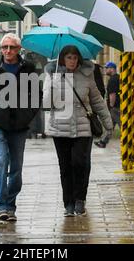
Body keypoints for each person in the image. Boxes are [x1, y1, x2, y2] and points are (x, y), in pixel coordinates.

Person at [43, 46, 113, 216]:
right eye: (68, 57)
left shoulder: (86, 76)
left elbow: (97, 101)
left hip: (83, 127)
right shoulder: (52, 76)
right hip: (60, 128)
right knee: (65, 166)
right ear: (62, 59)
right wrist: (52, 83)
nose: (72, 61)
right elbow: (45, 104)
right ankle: (68, 203)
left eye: (75, 57)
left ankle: (80, 199)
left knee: (80, 164)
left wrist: (108, 124)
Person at [0, 33, 39, 222]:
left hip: (19, 125)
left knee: (16, 168)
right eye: (5, 47)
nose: (8, 51)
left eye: (12, 47)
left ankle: (10, 204)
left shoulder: (28, 68)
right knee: (0, 160)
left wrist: (27, 115)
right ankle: (1, 206)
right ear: (1, 49)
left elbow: (35, 96)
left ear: (18, 49)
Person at [95, 61, 120, 148]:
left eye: (107, 68)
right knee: (110, 125)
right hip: (117, 107)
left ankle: (129, 141)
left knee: (121, 125)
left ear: (112, 69)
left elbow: (112, 94)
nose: (105, 70)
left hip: (115, 108)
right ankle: (103, 142)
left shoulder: (112, 80)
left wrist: (111, 105)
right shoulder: (118, 78)